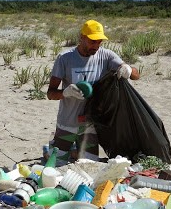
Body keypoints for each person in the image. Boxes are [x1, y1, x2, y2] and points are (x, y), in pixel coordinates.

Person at [47, 20, 140, 165]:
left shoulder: (106, 56)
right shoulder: (65, 58)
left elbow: (136, 75)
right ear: (82, 37)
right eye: (92, 41)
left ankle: (76, 151)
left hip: (90, 126)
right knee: (56, 163)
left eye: (99, 41)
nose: (96, 46)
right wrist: (66, 92)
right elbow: (50, 93)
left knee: (89, 165)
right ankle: (55, 148)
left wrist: (127, 69)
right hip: (67, 124)